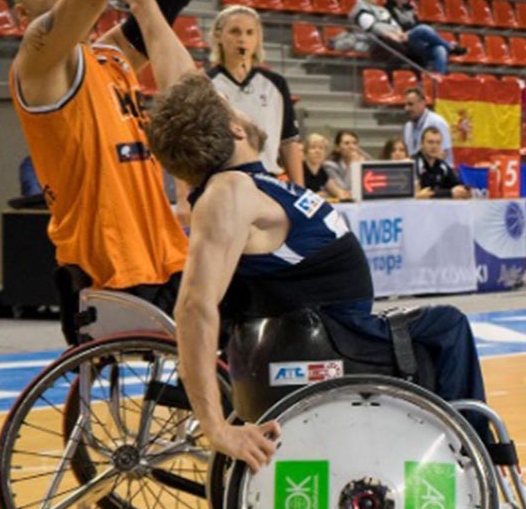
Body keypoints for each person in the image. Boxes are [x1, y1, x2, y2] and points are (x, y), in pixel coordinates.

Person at [145, 72, 489, 463]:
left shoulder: (251, 183)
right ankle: (471, 466)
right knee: (447, 327)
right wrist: (216, 429)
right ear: (234, 129)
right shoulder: (229, 191)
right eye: (233, 105)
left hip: (337, 329)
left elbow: (181, 80)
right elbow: (193, 309)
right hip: (333, 340)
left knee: (439, 325)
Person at [8, 0, 196, 338]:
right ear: (22, 18)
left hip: (164, 252)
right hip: (107, 267)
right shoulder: (38, 62)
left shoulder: (110, 56)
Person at [206, 4, 302, 184]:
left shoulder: (276, 84)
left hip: (268, 180)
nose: (242, 39)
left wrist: (300, 190)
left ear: (258, 39)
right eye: (235, 31)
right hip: (223, 182)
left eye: (250, 33)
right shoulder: (206, 85)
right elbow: (192, 144)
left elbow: (288, 141)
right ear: (218, 36)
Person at [350, 0, 457, 75]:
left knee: (440, 50)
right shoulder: (360, 9)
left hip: (401, 39)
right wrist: (392, 34)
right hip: (376, 44)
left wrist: (399, 33)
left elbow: (394, 25)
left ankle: (439, 83)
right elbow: (373, 26)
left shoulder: (383, 9)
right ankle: (449, 46)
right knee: (423, 29)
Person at [414, 126, 470, 199]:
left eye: (438, 143)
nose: (434, 146)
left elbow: (458, 186)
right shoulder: (413, 164)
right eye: (430, 142)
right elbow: (424, 194)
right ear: (421, 144)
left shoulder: (442, 166)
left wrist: (463, 190)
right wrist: (449, 193)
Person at [402, 86, 453, 164]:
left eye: (410, 104)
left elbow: (444, 154)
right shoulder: (408, 127)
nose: (407, 108)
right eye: (405, 105)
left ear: (422, 103)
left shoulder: (438, 122)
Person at [303, 132, 349, 199]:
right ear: (306, 151)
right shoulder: (299, 170)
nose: (317, 151)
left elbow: (336, 190)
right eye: (313, 147)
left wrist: (343, 194)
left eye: (321, 148)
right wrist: (314, 196)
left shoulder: (322, 172)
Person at [322, 128, 365, 195]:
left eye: (354, 143)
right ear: (337, 148)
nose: (352, 146)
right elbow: (344, 190)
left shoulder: (363, 163)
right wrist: (352, 165)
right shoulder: (329, 166)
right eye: (346, 143)